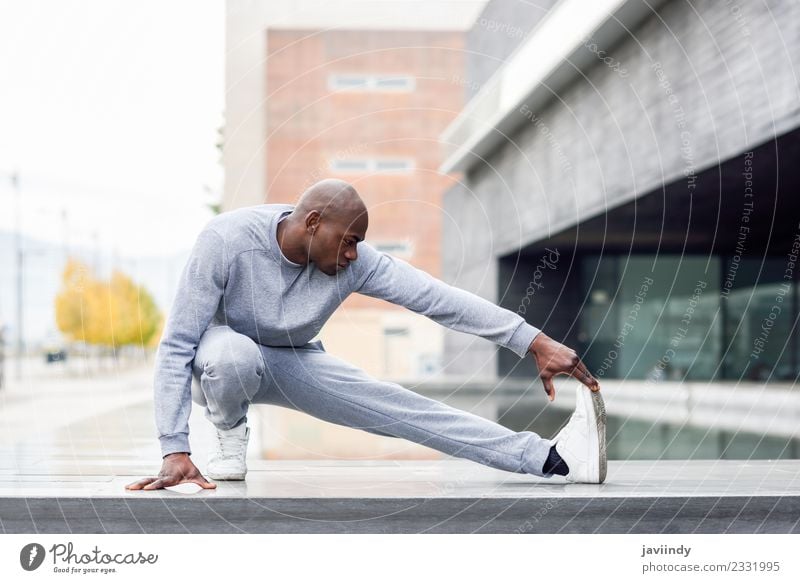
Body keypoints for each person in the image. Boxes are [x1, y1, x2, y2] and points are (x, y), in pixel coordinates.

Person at [125, 179, 605, 492]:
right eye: (348, 241)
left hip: (296, 361)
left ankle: (551, 459)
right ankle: (230, 432)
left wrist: (531, 340)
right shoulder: (226, 241)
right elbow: (177, 345)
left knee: (402, 407)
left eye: (359, 244)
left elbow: (437, 298)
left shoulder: (357, 262)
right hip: (221, 361)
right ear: (312, 224)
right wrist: (175, 447)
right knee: (233, 354)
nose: (354, 255)